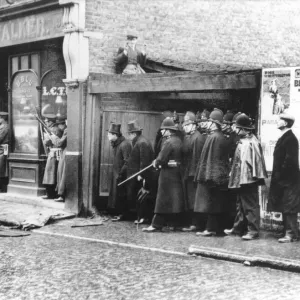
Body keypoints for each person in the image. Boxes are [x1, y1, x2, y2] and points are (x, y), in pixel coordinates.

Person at [225, 113, 268, 240]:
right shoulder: (245, 141)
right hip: (242, 178)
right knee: (240, 204)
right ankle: (238, 228)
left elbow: (254, 163)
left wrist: (248, 177)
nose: (235, 129)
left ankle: (253, 231)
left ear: (244, 129)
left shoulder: (251, 143)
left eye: (237, 127)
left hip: (248, 179)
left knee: (250, 205)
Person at [143, 117, 185, 232]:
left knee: (162, 200)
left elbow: (161, 158)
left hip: (166, 174)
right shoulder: (179, 140)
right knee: (174, 200)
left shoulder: (168, 142)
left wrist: (155, 163)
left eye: (163, 129)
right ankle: (173, 224)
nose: (161, 131)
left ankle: (156, 224)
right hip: (177, 173)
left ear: (168, 130)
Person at [194, 108, 231, 236]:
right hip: (218, 176)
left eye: (210, 121)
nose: (207, 124)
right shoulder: (218, 137)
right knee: (216, 203)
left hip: (214, 178)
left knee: (213, 203)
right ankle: (215, 229)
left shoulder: (215, 137)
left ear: (214, 123)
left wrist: (210, 177)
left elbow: (213, 160)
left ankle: (211, 229)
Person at [267, 112, 300, 243]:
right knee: (284, 205)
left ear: (285, 123)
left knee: (290, 207)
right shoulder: (285, 137)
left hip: (289, 180)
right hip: (284, 180)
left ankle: (291, 234)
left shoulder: (290, 139)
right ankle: (286, 231)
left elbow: (290, 161)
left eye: (280, 120)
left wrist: (280, 176)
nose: (277, 122)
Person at [181, 112, 206, 232]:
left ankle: (196, 223)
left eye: (187, 124)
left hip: (193, 174)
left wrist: (193, 174)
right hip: (188, 172)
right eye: (184, 125)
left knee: (194, 199)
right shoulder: (190, 137)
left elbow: (196, 159)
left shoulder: (197, 138)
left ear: (194, 125)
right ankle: (193, 222)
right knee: (190, 199)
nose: (185, 127)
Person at [126, 120, 154, 224]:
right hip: (137, 175)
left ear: (133, 133)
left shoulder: (142, 143)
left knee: (142, 196)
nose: (128, 136)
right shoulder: (140, 141)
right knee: (138, 196)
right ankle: (140, 216)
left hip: (141, 176)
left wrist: (141, 175)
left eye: (129, 134)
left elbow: (144, 160)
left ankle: (143, 217)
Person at [107, 123, 132, 221]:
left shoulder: (124, 145)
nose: (108, 136)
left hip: (123, 175)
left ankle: (122, 214)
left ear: (115, 135)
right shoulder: (118, 144)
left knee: (122, 194)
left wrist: (121, 174)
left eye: (109, 134)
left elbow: (127, 162)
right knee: (117, 194)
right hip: (118, 173)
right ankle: (118, 212)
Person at [42, 107, 63, 199]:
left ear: (51, 122)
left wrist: (47, 140)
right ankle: (50, 193)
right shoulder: (54, 129)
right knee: (51, 174)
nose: (46, 122)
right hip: (53, 153)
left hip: (54, 154)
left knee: (51, 174)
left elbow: (54, 142)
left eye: (47, 121)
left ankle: (51, 194)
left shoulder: (55, 130)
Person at [52, 117, 67, 202]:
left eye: (59, 125)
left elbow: (59, 143)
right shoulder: (66, 130)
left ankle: (62, 194)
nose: (58, 127)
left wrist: (54, 137)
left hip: (65, 153)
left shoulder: (67, 130)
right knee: (61, 173)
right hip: (64, 152)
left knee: (62, 173)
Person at [0, 112, 9, 192]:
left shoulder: (4, 127)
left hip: (2, 149)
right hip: (2, 149)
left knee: (2, 167)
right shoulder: (3, 126)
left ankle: (2, 187)